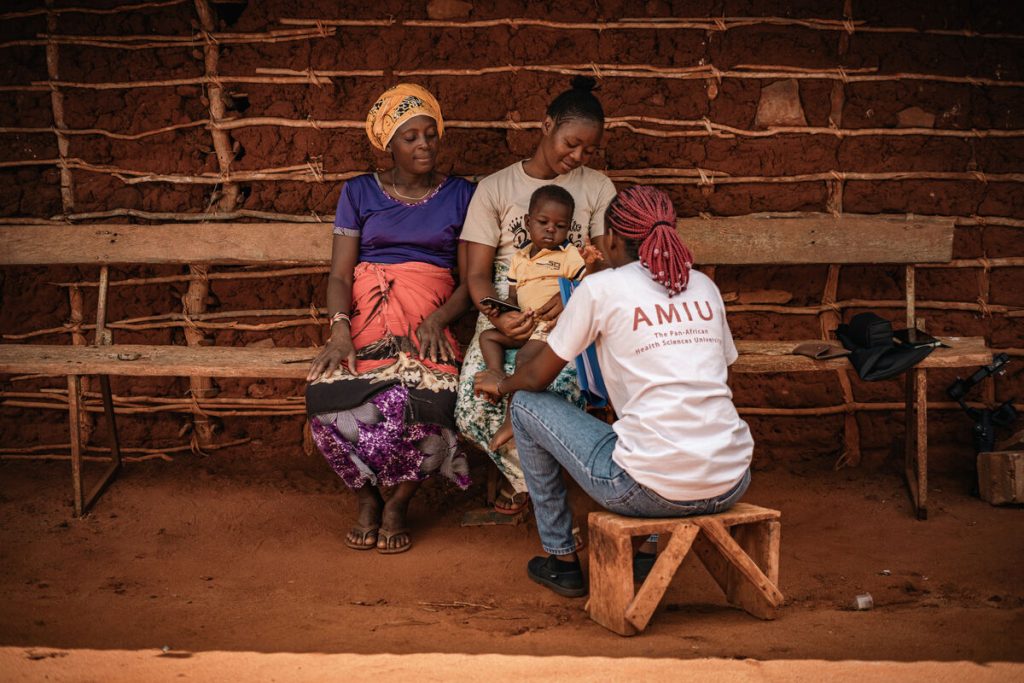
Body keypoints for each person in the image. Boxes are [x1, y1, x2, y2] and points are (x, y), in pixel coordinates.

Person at [474, 185, 754, 597]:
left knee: (527, 406)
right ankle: (645, 553)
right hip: (731, 479)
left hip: (646, 490)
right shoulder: (702, 286)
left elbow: (534, 380)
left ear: (613, 241)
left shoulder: (602, 288)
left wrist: (502, 383)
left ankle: (561, 559)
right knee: (648, 428)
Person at [305, 84, 475, 555]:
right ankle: (367, 498)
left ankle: (400, 502)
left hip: (429, 314)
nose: (424, 145)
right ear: (389, 145)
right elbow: (339, 273)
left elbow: (471, 280)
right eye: (410, 138)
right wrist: (340, 330)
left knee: (434, 404)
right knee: (326, 400)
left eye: (430, 134)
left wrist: (439, 320)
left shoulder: (463, 195)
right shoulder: (359, 191)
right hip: (365, 314)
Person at [457, 76, 617, 515]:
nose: (578, 157)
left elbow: (604, 266)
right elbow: (476, 274)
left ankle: (536, 491)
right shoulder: (495, 189)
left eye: (588, 150)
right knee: (474, 402)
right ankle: (529, 477)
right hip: (507, 306)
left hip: (572, 313)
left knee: (559, 389)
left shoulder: (598, 188)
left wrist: (575, 295)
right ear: (546, 125)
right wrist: (501, 315)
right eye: (571, 143)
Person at [478, 185, 601, 451]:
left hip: (551, 325)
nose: (550, 230)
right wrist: (500, 311)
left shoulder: (569, 255)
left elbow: (586, 288)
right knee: (488, 337)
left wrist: (590, 263)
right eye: (543, 222)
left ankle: (512, 418)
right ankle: (496, 372)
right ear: (527, 222)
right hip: (526, 324)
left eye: (560, 225)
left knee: (524, 359)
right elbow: (513, 298)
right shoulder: (519, 259)